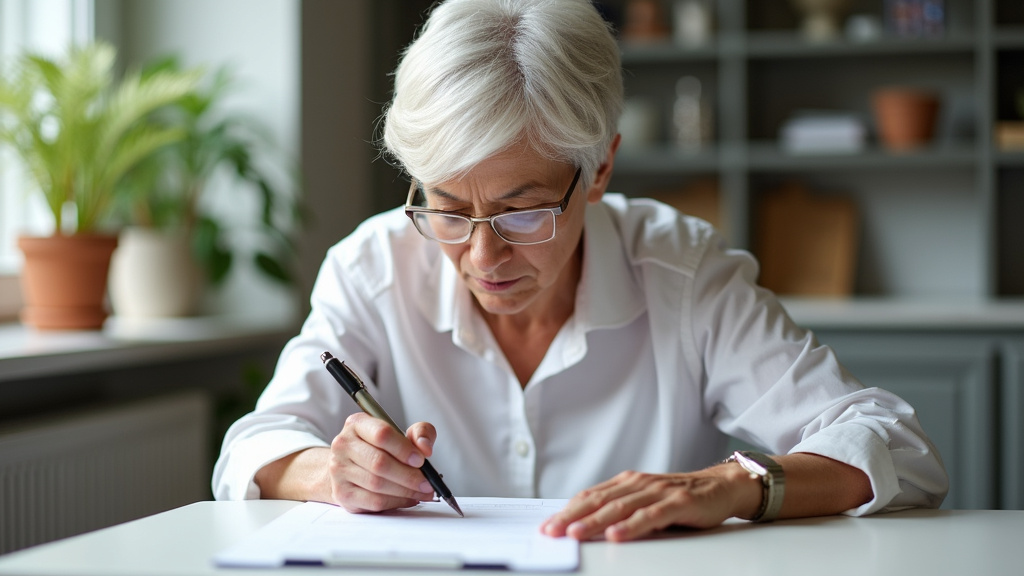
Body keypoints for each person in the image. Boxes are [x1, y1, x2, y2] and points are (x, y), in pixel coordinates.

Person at [213, 0, 948, 542]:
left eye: (521, 213)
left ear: (599, 170)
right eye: (446, 208)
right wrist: (332, 474)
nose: (481, 256)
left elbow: (899, 448)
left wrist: (730, 485)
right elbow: (253, 448)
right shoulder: (373, 265)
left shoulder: (682, 271)